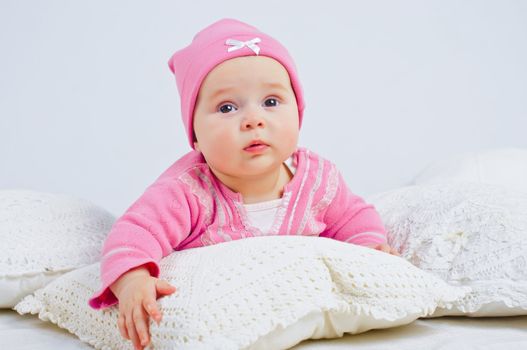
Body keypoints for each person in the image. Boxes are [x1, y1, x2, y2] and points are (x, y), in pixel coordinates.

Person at [88, 18, 398, 350]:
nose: (253, 119)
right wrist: (134, 279)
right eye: (227, 107)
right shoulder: (187, 191)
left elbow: (354, 218)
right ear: (195, 137)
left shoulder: (318, 181)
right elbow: (134, 234)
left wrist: (370, 250)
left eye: (271, 102)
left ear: (298, 113)